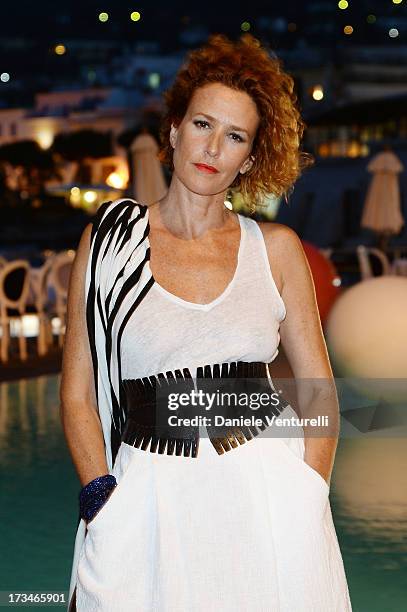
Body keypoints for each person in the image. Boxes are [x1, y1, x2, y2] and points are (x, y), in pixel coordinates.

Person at [61, 33, 352, 611]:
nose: (213, 146)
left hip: (267, 494)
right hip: (145, 500)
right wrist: (100, 495)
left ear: (249, 158)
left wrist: (306, 492)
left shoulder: (275, 248)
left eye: (235, 136)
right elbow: (77, 394)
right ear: (173, 130)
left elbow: (319, 392)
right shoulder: (107, 243)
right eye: (202, 124)